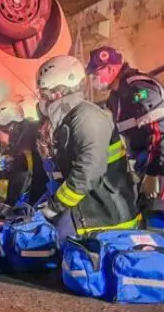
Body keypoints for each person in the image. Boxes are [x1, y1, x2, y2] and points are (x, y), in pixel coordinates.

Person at [34, 55, 139, 239]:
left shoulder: (87, 117)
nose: (42, 101)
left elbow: (89, 169)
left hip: (104, 213)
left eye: (45, 94)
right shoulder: (67, 119)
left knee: (52, 241)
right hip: (86, 206)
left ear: (59, 92)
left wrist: (55, 205)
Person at [86, 46, 164, 211]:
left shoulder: (139, 89)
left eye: (95, 74)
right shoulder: (116, 97)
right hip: (145, 161)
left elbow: (159, 131)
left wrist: (153, 172)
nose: (93, 80)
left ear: (110, 69)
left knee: (155, 214)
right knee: (140, 213)